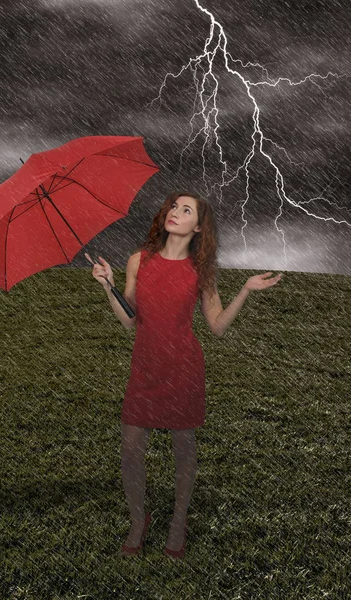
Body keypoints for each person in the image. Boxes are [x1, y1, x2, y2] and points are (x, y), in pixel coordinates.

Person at [85, 190, 282, 558]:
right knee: (130, 450)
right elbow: (129, 320)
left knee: (183, 448)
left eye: (186, 210)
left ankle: (178, 521)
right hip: (144, 369)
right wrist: (108, 287)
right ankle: (137, 519)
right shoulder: (137, 261)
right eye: (173, 206)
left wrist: (245, 290)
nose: (175, 212)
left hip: (184, 368)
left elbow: (218, 325)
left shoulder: (200, 271)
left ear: (197, 227)